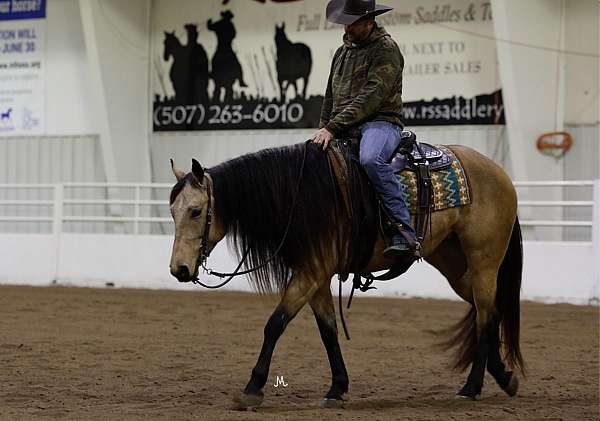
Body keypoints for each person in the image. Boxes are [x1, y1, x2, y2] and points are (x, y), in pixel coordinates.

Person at [312, 0, 419, 258]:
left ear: (369, 22)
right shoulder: (342, 52)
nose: (346, 28)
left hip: (381, 123)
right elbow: (330, 96)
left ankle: (404, 231)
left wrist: (333, 127)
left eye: (352, 23)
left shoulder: (386, 50)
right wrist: (323, 129)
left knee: (371, 159)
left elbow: (372, 97)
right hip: (344, 126)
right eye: (345, 23)